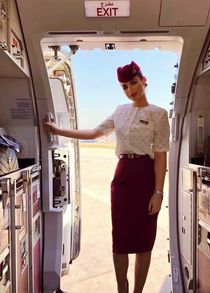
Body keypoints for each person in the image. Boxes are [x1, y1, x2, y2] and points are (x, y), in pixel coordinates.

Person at [44, 61, 170, 293]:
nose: (131, 90)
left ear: (144, 80)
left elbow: (160, 156)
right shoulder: (120, 111)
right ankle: (122, 287)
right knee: (120, 240)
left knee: (144, 239)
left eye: (133, 83)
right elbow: (94, 132)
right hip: (123, 178)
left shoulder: (159, 115)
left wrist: (158, 192)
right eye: (125, 86)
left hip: (145, 177)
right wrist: (59, 131)